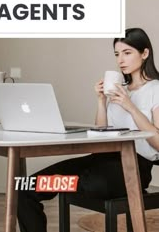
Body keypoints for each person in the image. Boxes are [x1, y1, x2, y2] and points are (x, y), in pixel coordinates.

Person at [17, 27, 159, 232]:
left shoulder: (155, 89)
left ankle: (68, 183)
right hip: (101, 159)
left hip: (134, 168)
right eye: (117, 54)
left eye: (127, 53)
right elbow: (103, 131)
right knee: (25, 187)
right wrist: (101, 101)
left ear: (144, 54)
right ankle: (63, 184)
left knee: (93, 185)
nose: (121, 60)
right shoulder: (121, 89)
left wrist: (130, 106)